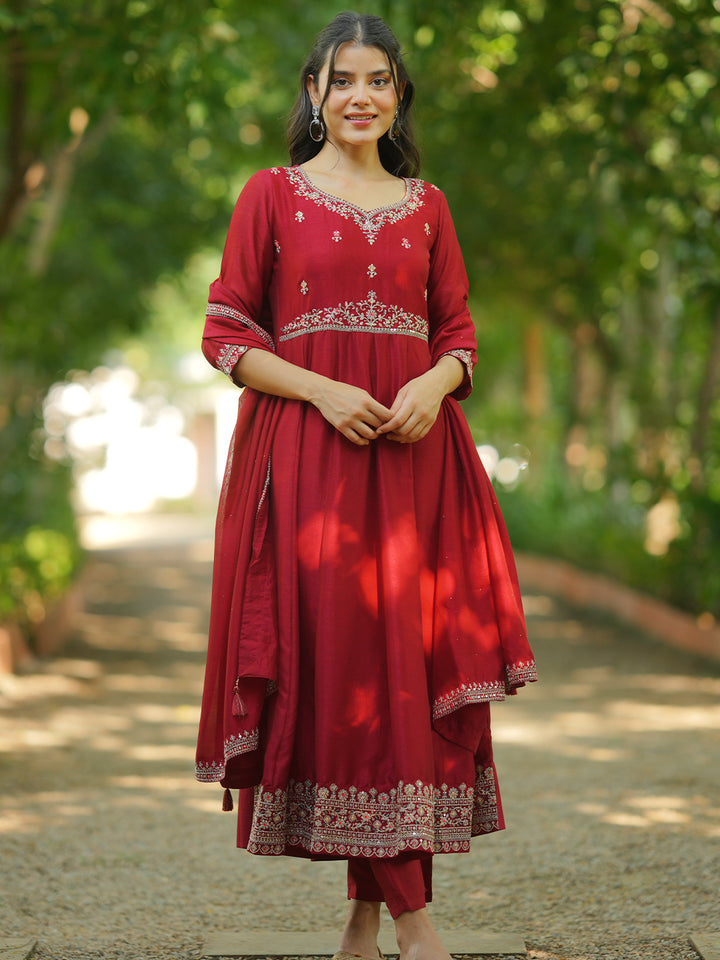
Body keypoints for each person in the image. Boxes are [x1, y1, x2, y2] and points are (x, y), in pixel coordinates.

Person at [195, 11, 537, 960]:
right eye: (342, 79)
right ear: (314, 93)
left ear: (398, 98)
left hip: (419, 462)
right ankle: (417, 923)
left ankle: (365, 916)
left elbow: (460, 334)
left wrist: (432, 383)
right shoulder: (272, 196)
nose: (360, 96)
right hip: (308, 462)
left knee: (409, 673)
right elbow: (226, 334)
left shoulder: (429, 205)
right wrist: (323, 390)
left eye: (379, 81)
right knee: (347, 670)